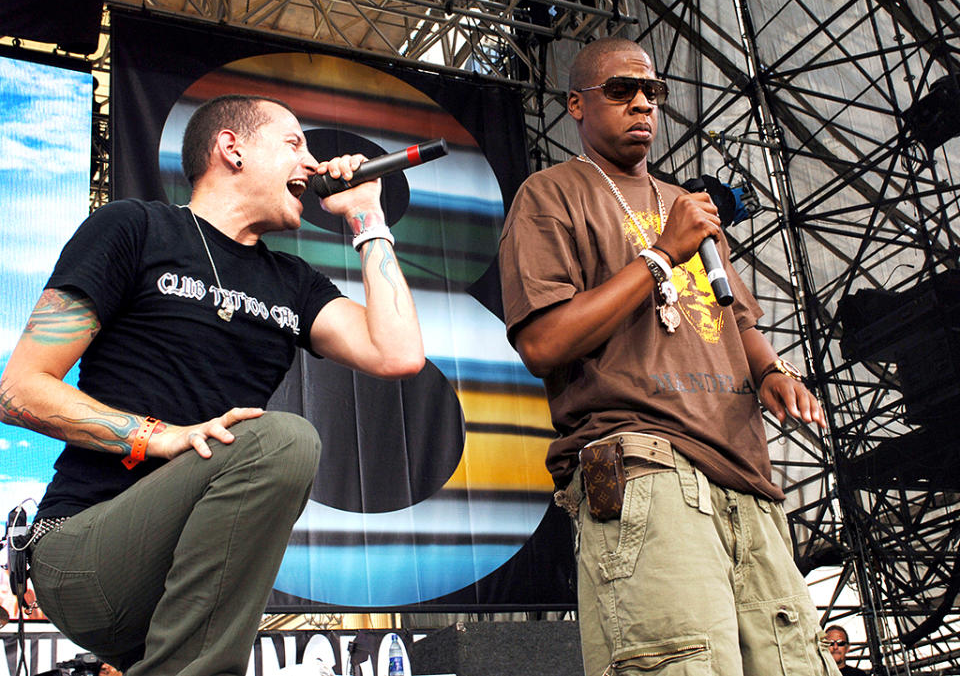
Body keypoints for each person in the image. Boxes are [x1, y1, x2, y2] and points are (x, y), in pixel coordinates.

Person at [0, 94, 423, 676]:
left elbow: (398, 354)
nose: (311, 164)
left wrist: (366, 218)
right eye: (294, 144)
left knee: (279, 444)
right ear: (232, 148)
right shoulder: (136, 228)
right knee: (282, 440)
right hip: (82, 549)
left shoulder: (292, 283)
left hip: (184, 578)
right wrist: (158, 437)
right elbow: (19, 389)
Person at [499, 37, 839, 676]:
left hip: (747, 475)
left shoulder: (684, 204)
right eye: (621, 91)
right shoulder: (551, 194)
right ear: (577, 103)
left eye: (651, 92)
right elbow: (544, 344)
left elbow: (732, 317)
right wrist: (658, 256)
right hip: (645, 467)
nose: (642, 105)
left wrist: (770, 370)